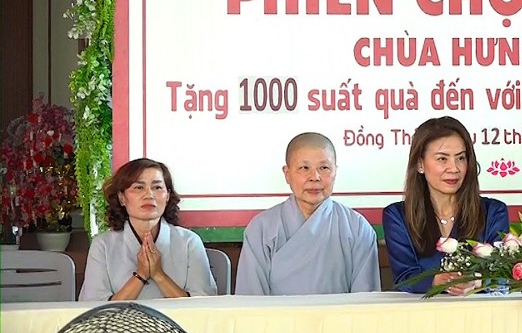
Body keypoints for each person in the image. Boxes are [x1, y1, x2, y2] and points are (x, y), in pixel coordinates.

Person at [235, 132, 380, 295]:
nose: (315, 177)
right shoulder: (261, 229)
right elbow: (250, 302)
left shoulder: (358, 229)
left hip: (339, 313)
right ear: (287, 174)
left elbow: (365, 303)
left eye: (324, 168)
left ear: (335, 172)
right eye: (304, 168)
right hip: (276, 313)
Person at [383, 117, 509, 294]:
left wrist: (474, 281)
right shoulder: (397, 216)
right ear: (420, 164)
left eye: (461, 158)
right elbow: (404, 278)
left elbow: (502, 277)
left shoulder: (494, 212)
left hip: (480, 311)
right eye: (442, 159)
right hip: (424, 311)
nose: (454, 168)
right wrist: (436, 281)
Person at [79, 158, 216, 300]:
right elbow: (95, 307)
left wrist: (158, 274)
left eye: (157, 187)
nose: (149, 195)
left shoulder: (189, 242)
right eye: (139, 188)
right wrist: (141, 275)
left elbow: (202, 305)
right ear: (122, 198)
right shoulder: (103, 245)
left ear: (168, 196)